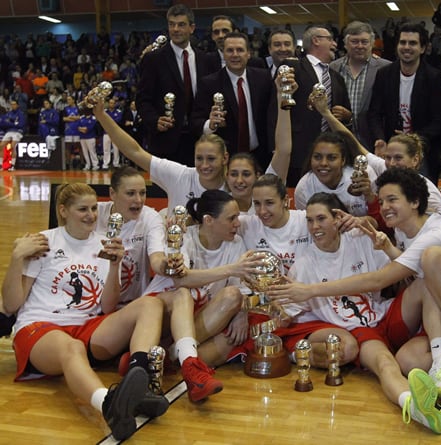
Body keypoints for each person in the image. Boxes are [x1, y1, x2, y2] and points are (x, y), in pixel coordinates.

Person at [269, 168, 441, 404]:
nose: (315, 226)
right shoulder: (303, 265)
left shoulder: (361, 240)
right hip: (361, 329)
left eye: (321, 219)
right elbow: (285, 318)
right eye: (309, 220)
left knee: (423, 283)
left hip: (389, 315)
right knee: (392, 363)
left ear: (338, 219)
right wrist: (277, 306)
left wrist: (312, 290)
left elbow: (383, 279)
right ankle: (414, 404)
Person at [1, 183, 169, 441]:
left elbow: (108, 307)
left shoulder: (104, 243)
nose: (91, 215)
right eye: (82, 209)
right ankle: (108, 405)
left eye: (93, 208)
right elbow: (12, 304)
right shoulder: (44, 241)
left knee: (151, 304)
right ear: (63, 210)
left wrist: (115, 266)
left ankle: (142, 379)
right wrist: (16, 259)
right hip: (40, 329)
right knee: (72, 348)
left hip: (87, 327)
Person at [91, 72, 296, 213]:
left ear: (225, 158)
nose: (204, 165)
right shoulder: (180, 176)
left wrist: (283, 98)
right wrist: (101, 115)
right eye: (199, 158)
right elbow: (134, 151)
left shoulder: (237, 186)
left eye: (211, 158)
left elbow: (283, 151)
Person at [138, 189, 263, 401]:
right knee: (186, 294)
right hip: (163, 315)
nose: (237, 223)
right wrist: (231, 269)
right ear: (208, 220)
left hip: (198, 318)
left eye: (238, 218)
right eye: (231, 218)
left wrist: (241, 314)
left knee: (232, 331)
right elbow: (181, 280)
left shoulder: (236, 244)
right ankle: (174, 358)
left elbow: (238, 291)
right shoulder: (183, 237)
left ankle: (167, 358)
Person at [315, 94, 441, 219]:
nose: (391, 163)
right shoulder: (385, 169)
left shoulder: (428, 192)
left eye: (398, 158)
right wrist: (326, 113)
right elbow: (352, 143)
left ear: (415, 159)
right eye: (388, 157)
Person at [368, 22, 441, 183]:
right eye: (402, 42)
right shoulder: (384, 74)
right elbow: (374, 113)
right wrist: (380, 138)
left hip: (421, 152)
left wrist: (412, 138)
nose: (406, 47)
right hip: (390, 150)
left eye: (412, 43)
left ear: (423, 48)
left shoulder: (434, 77)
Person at [137, 4, 212, 166]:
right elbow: (142, 99)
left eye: (181, 24)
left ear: (192, 28)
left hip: (199, 140)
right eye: (172, 24)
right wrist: (154, 120)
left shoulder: (205, 60)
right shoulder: (153, 59)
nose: (175, 29)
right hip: (165, 140)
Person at [192, 31, 275, 170]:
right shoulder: (208, 83)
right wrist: (211, 125)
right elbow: (195, 122)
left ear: (248, 53)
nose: (235, 55)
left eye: (240, 50)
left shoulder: (264, 78)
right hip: (225, 158)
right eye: (230, 50)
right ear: (223, 54)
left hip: (260, 157)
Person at [286, 25, 352, 187]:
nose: (334, 44)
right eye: (330, 39)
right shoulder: (292, 68)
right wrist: (277, 148)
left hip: (330, 155)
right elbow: (277, 109)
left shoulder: (336, 77)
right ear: (316, 40)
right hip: (299, 151)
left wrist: (346, 114)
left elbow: (347, 112)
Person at [96, 166, 167, 306]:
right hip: (94, 305)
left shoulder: (150, 218)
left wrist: (167, 265)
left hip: (133, 306)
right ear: (112, 193)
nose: (139, 200)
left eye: (143, 193)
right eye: (131, 193)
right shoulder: (93, 213)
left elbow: (157, 257)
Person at [330, 21, 391, 149]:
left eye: (364, 42)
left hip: (374, 142)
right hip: (341, 141)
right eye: (354, 41)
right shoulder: (333, 68)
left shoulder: (386, 68)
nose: (360, 46)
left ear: (372, 44)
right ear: (346, 44)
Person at [294, 130, 377, 217]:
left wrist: (369, 195)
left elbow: (381, 221)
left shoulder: (363, 175)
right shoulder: (303, 188)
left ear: (343, 160)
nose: (323, 163)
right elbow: (307, 225)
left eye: (332, 158)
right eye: (317, 157)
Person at [101, 97, 123, 170]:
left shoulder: (119, 112)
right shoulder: (105, 111)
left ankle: (116, 163)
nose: (112, 104)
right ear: (108, 103)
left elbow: (118, 120)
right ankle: (105, 164)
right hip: (106, 132)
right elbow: (103, 120)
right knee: (106, 149)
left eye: (113, 103)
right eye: (110, 103)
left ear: (115, 104)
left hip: (115, 133)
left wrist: (109, 121)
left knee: (116, 148)